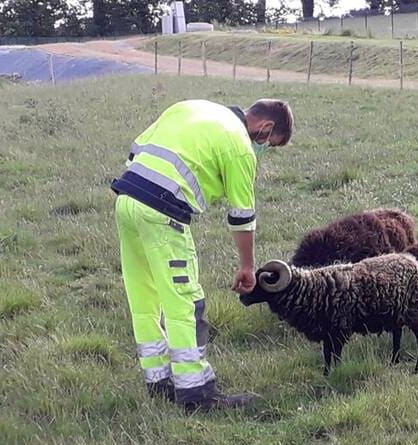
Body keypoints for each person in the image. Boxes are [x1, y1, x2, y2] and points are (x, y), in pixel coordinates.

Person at [112, 98, 293, 412]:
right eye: (269, 144)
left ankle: (158, 381)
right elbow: (242, 216)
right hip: (162, 214)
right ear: (265, 127)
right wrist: (248, 266)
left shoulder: (192, 107)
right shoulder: (239, 146)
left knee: (144, 298)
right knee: (184, 302)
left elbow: (135, 152)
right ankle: (197, 393)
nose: (264, 149)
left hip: (126, 203)